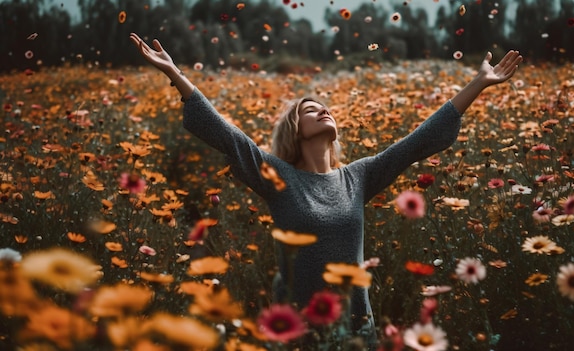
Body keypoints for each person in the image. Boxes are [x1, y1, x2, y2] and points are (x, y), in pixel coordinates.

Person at [130, 32, 522, 349]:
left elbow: (417, 142)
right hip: (297, 331)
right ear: (295, 131)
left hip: (356, 331)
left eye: (325, 107)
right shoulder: (278, 175)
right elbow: (228, 137)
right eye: (309, 109)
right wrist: (176, 76)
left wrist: (479, 84)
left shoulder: (358, 176)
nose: (323, 110)